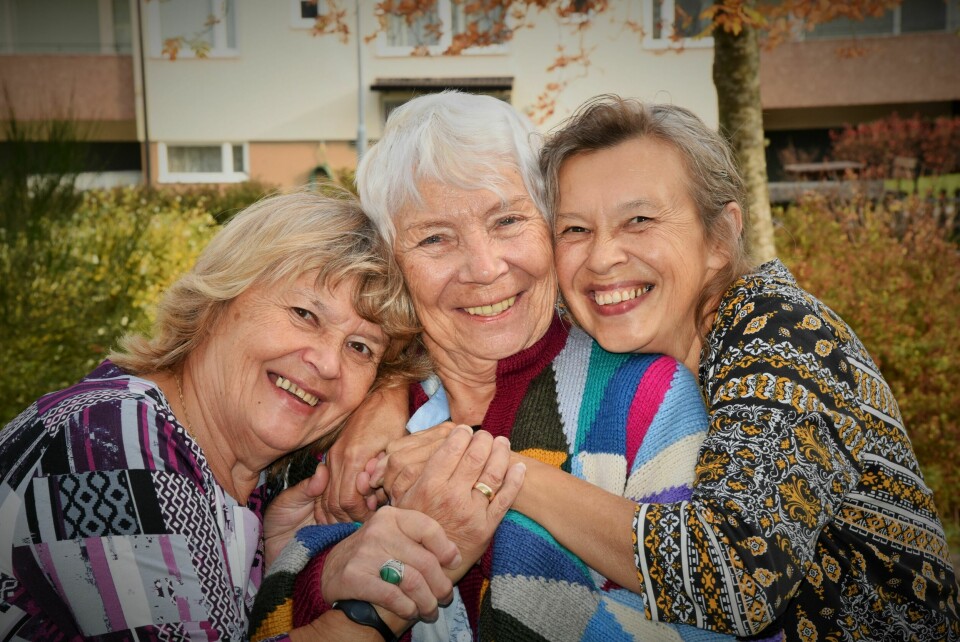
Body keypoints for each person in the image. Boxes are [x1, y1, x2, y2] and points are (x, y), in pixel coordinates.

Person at [250, 91, 736, 641]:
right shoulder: (347, 407)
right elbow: (273, 603)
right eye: (435, 237)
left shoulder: (646, 394)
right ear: (393, 264)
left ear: (551, 227)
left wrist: (472, 537)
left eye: (507, 221)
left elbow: (706, 626)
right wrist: (332, 576)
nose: (483, 268)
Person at [540, 95, 960, 640]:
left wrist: (507, 475)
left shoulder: (779, 329)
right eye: (574, 230)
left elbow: (736, 572)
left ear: (719, 238)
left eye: (639, 220)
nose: (602, 258)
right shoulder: (624, 347)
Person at [0, 191, 469, 640]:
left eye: (360, 347)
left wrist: (274, 561)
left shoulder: (233, 478)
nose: (328, 363)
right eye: (305, 314)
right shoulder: (111, 441)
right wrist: (383, 605)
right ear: (220, 299)